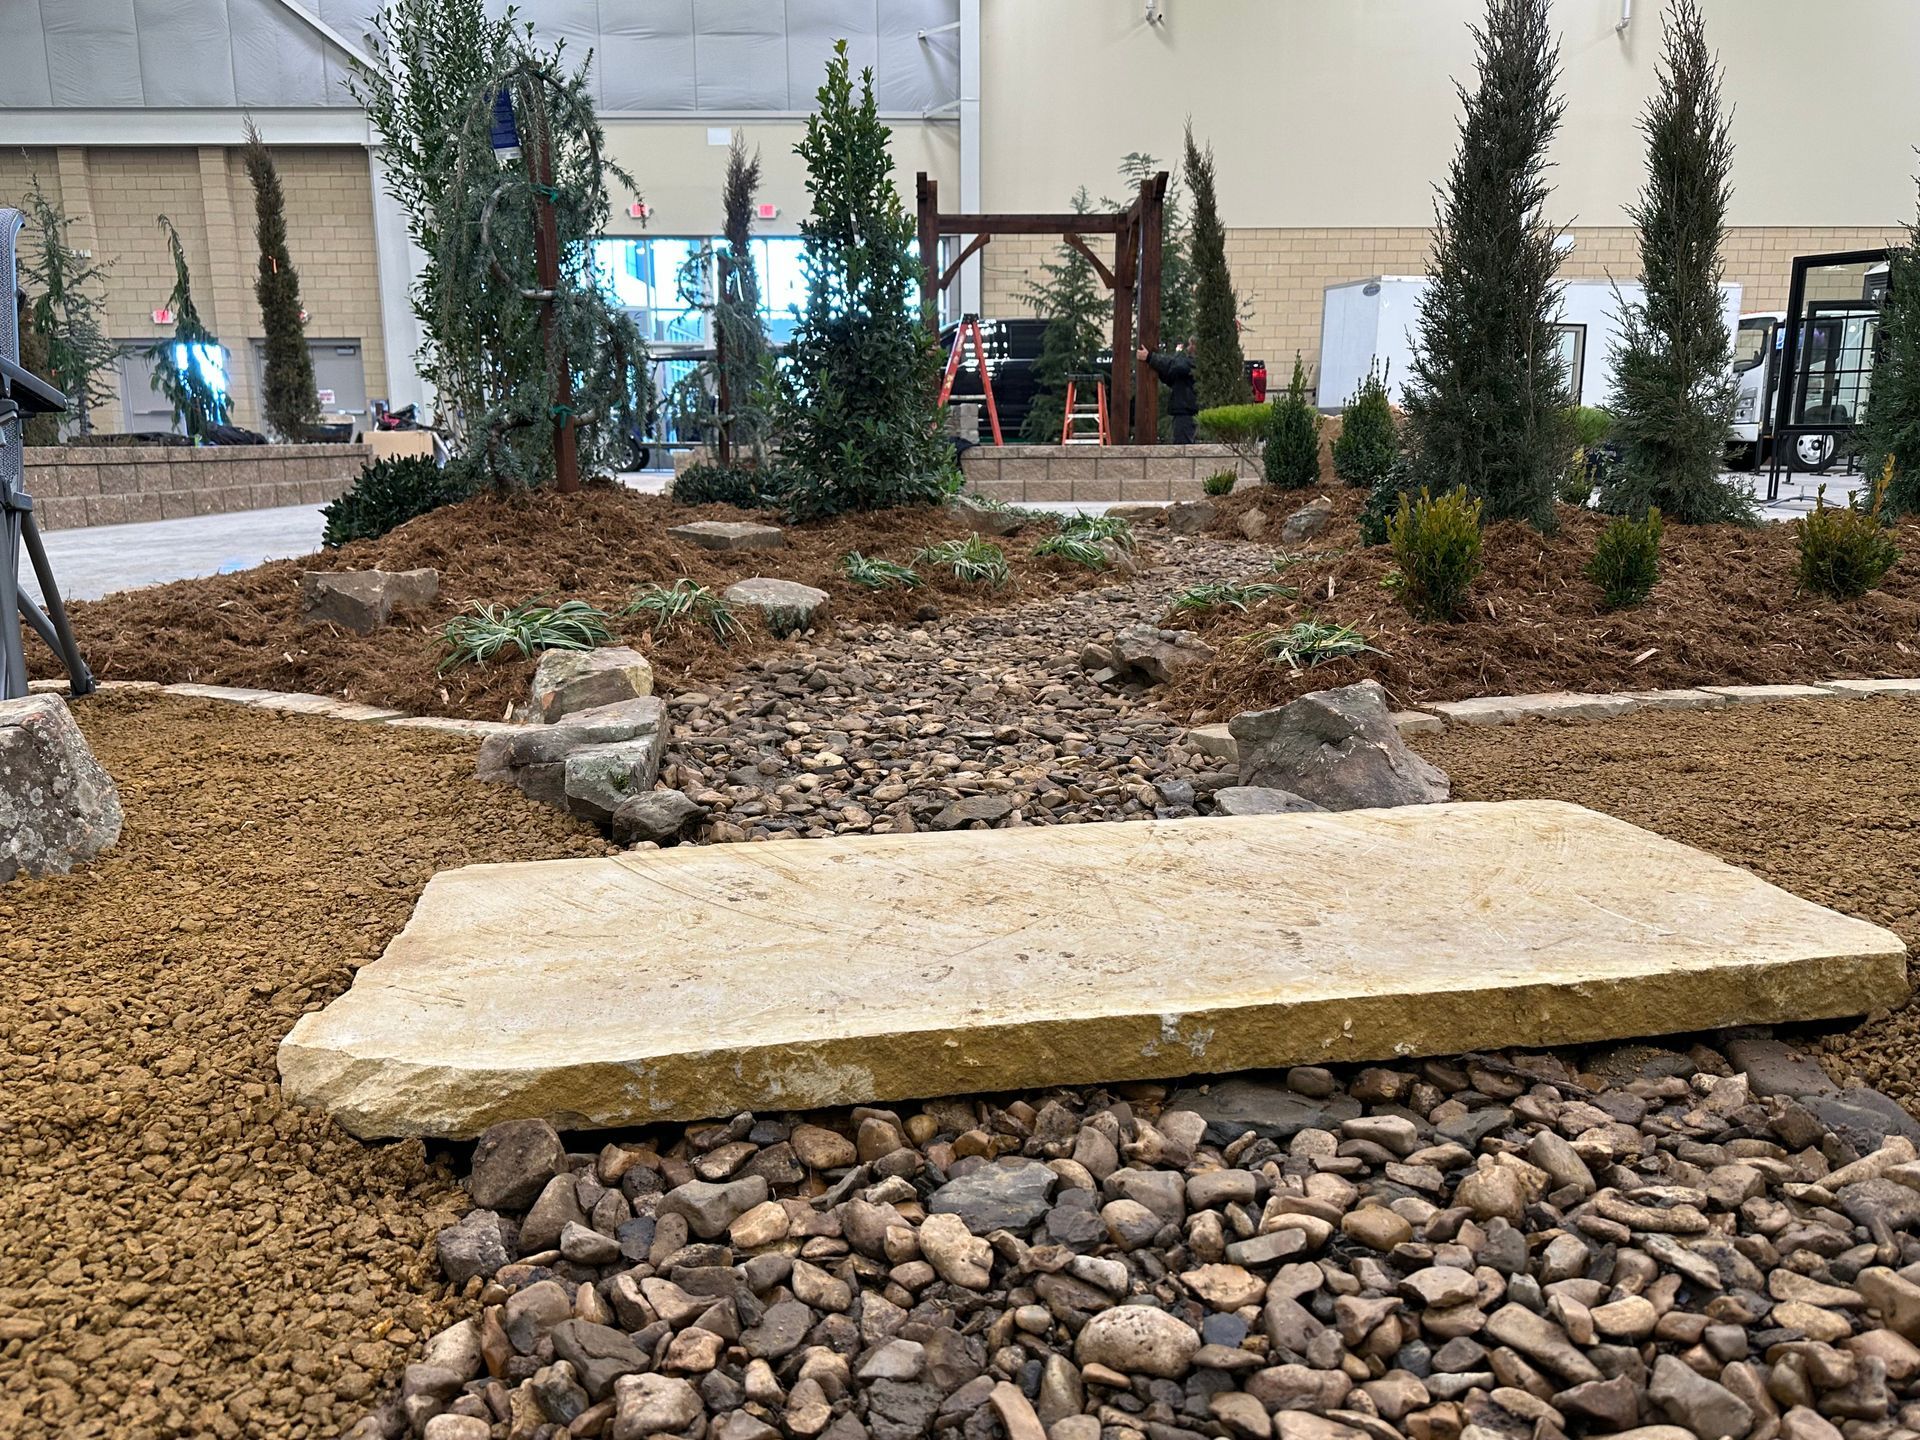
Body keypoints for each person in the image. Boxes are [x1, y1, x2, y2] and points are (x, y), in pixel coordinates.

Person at [1137, 341, 1199, 443]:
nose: (1188, 348)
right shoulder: (1186, 367)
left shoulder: (1192, 363)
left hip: (1186, 412)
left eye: (1191, 344)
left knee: (1183, 447)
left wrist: (1150, 357)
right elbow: (1170, 375)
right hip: (1184, 412)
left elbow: (1176, 365)